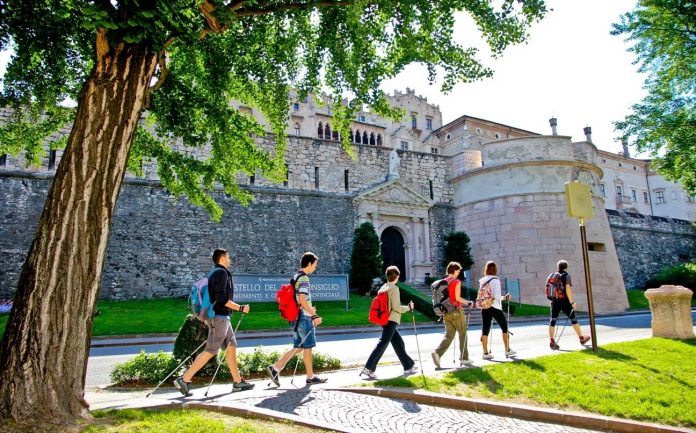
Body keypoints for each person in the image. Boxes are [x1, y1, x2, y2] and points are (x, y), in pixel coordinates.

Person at [174, 248, 253, 396]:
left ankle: (237, 382)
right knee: (211, 350)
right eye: (228, 257)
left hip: (222, 317)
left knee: (231, 346)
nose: (229, 259)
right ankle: (184, 379)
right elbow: (222, 299)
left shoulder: (214, 273)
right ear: (222, 258)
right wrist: (240, 308)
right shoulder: (221, 273)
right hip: (219, 317)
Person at [268, 252, 327, 386]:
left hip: (295, 317)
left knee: (298, 347)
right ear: (310, 263)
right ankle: (310, 376)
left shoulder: (296, 277)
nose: (315, 268)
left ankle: (275, 368)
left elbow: (299, 301)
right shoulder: (304, 279)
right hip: (304, 318)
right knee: (307, 347)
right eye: (315, 265)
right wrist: (314, 316)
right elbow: (302, 300)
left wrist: (310, 310)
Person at [360, 266, 418, 379]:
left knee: (399, 343)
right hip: (391, 320)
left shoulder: (384, 287)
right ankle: (368, 368)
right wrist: (408, 307)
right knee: (383, 343)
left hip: (384, 319)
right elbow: (396, 307)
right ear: (397, 276)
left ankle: (408, 366)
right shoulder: (394, 288)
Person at [431, 262, 474, 368]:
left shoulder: (443, 281)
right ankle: (464, 358)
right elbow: (457, 298)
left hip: (445, 312)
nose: (459, 272)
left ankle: (437, 353)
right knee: (462, 334)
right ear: (454, 270)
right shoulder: (456, 281)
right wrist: (468, 302)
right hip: (456, 311)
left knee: (449, 336)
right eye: (458, 270)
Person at [549, 260, 591, 349]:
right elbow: (568, 289)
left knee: (553, 320)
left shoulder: (552, 276)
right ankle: (581, 338)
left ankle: (552, 341)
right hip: (565, 302)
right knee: (573, 319)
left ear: (558, 267)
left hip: (555, 301)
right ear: (566, 267)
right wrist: (572, 302)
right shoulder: (566, 276)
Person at [478, 261, 515, 359]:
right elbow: (497, 297)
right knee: (504, 326)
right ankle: (507, 350)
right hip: (494, 307)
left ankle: (485, 353)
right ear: (495, 269)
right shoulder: (495, 280)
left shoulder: (482, 281)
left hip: (485, 306)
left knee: (485, 329)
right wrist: (505, 297)